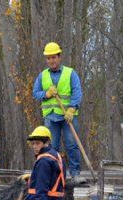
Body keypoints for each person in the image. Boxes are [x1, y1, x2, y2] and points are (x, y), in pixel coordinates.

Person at [32, 42, 83, 179]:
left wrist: (72, 109)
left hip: (68, 117)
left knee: (72, 145)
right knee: (52, 147)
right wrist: (46, 94)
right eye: (48, 58)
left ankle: (75, 173)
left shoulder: (70, 73)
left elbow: (77, 92)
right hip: (51, 116)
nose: (51, 61)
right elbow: (35, 93)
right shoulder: (42, 76)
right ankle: (56, 175)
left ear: (59, 57)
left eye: (53, 57)